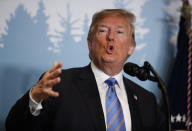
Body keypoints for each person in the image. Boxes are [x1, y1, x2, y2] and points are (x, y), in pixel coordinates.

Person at [6, 9, 166, 131]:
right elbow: (15, 127)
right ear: (90, 44)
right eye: (103, 30)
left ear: (131, 47)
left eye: (119, 32)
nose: (111, 37)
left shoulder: (147, 101)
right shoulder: (59, 85)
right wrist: (34, 98)